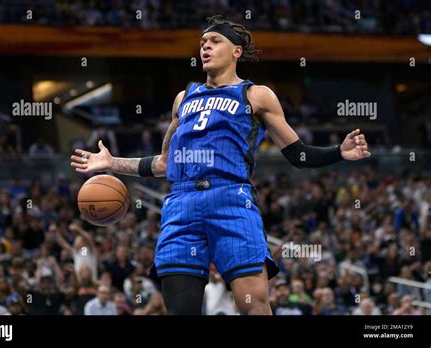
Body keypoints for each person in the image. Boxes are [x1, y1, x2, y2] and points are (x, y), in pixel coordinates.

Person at [70, 15, 371, 315]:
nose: (206, 47)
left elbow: (297, 154)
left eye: (215, 41)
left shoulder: (257, 95)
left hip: (231, 200)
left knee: (254, 307)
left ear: (236, 51)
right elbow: (164, 163)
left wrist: (338, 152)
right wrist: (111, 162)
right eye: (202, 43)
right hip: (181, 204)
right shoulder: (183, 98)